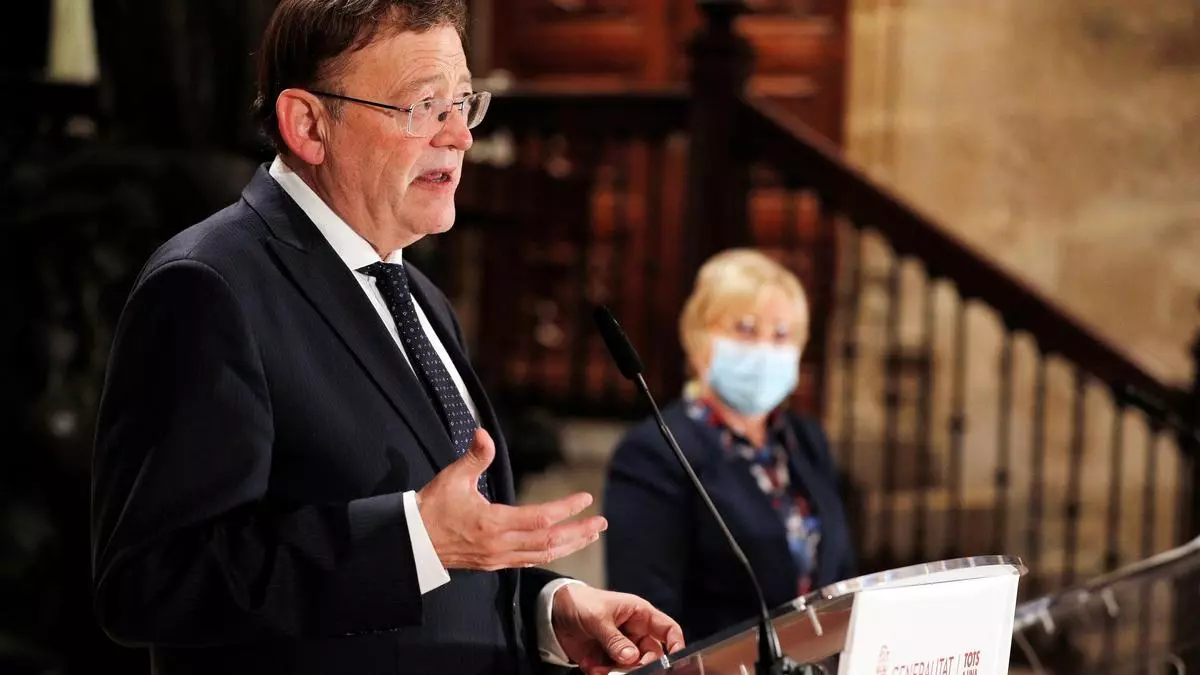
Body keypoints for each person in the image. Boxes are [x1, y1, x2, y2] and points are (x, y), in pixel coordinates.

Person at [89, 2, 683, 674]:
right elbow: (151, 582)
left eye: (463, 103)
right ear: (308, 124)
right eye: (423, 106)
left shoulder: (417, 295)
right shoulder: (208, 287)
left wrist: (547, 609)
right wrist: (413, 539)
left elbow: (447, 548)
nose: (459, 136)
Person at [603, 249, 856, 644]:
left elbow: (840, 574)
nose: (765, 349)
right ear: (699, 337)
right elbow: (648, 613)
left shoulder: (805, 440)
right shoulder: (655, 451)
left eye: (781, 334)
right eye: (746, 329)